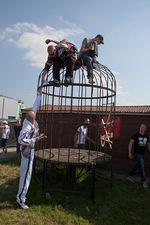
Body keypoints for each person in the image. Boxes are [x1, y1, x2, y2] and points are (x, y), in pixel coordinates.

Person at [16, 88, 44, 209]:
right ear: (32, 118)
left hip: (30, 152)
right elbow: (20, 140)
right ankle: (21, 199)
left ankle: (21, 196)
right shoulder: (27, 128)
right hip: (27, 152)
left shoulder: (30, 120)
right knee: (26, 175)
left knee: (27, 174)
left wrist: (39, 94)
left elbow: (35, 107)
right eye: (35, 116)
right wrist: (35, 140)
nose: (35, 115)